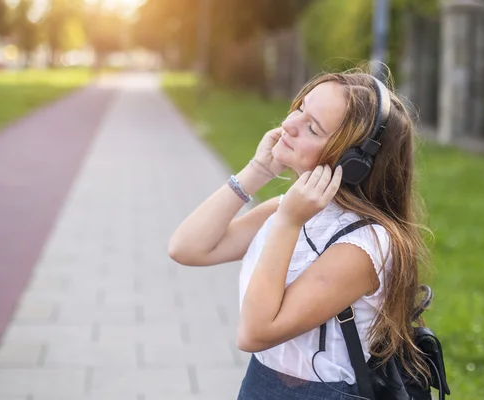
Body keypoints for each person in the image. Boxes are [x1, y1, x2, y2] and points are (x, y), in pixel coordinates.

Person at [168, 68, 431, 399]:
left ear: (353, 163)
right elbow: (186, 248)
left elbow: (254, 333)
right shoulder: (289, 211)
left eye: (312, 127)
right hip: (260, 384)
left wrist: (288, 223)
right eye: (300, 108)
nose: (289, 124)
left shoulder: (364, 244)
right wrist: (257, 171)